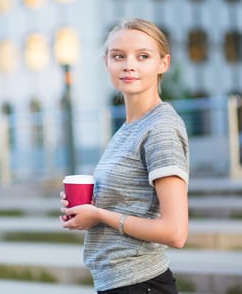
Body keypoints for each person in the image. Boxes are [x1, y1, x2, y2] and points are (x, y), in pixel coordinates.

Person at [60, 18, 189, 294]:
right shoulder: (128, 129)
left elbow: (176, 232)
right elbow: (128, 204)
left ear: (163, 64)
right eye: (118, 56)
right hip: (118, 282)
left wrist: (100, 215)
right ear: (106, 62)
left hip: (141, 284)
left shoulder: (160, 128)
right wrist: (88, 209)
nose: (129, 64)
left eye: (143, 56)